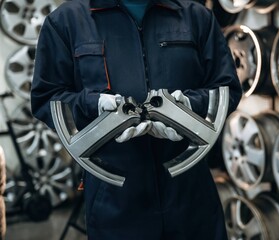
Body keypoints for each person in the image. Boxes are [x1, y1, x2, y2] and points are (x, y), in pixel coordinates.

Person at [31, 0, 242, 238]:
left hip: (191, 194)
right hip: (114, 200)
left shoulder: (196, 17)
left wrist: (187, 107)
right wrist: (95, 107)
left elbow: (226, 89)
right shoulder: (65, 22)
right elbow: (47, 98)